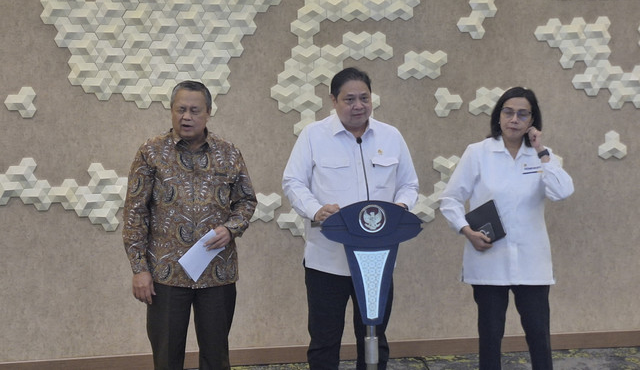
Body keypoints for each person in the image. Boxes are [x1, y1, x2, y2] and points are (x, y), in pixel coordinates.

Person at [282, 67, 419, 369]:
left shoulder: (390, 136)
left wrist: (401, 207)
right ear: (333, 100)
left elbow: (409, 184)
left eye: (364, 98)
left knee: (373, 336)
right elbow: (293, 182)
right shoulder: (313, 136)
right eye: (349, 99)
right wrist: (315, 209)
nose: (358, 106)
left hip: (376, 260)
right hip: (326, 261)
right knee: (324, 340)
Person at [122, 80, 257, 370]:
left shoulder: (229, 153)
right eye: (180, 109)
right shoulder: (151, 153)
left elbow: (246, 201)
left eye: (195, 110)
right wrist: (139, 269)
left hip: (217, 272)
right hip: (166, 275)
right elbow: (135, 213)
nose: (187, 116)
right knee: (167, 357)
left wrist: (231, 228)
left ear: (208, 112)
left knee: (216, 355)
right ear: (171, 111)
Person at [439, 87, 574, 370]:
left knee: (538, 335)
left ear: (532, 120)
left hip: (531, 261)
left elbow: (562, 192)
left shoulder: (543, 157)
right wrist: (465, 230)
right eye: (508, 112)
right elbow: (450, 199)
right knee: (490, 337)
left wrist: (541, 151)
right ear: (499, 116)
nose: (514, 119)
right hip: (488, 257)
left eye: (522, 114)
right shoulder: (478, 153)